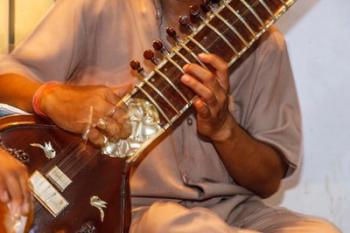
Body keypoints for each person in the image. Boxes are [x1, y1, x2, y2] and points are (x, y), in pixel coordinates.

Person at [0, 0, 340, 232]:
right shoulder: (99, 6)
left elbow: (267, 181)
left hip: (232, 210)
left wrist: (224, 131)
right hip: (126, 210)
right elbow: (5, 80)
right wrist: (52, 97)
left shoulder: (260, 42)